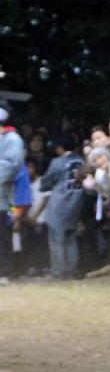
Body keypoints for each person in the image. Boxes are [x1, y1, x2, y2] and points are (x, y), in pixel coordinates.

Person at [39, 135, 85, 280]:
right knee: (71, 238)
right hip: (77, 203)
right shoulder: (82, 161)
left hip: (59, 204)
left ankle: (58, 272)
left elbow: (45, 183)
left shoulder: (57, 162)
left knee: (56, 239)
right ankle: (71, 271)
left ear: (60, 148)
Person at [0, 107, 24, 286]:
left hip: (2, 195)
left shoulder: (12, 138)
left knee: (2, 236)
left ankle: (4, 272)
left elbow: (12, 164)